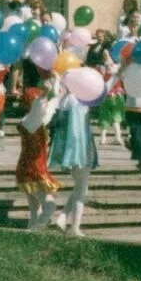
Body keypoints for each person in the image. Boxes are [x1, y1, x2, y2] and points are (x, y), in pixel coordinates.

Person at [48, 77, 99, 236]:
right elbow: (76, 131)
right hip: (79, 151)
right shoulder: (76, 101)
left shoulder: (64, 100)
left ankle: (62, 218)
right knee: (81, 190)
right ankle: (75, 227)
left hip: (69, 151)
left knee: (80, 187)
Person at [16, 84, 63, 231]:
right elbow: (40, 109)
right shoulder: (30, 121)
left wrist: (59, 93)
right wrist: (45, 94)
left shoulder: (36, 120)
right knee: (50, 206)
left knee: (35, 211)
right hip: (32, 171)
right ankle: (35, 231)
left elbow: (47, 109)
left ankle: (30, 234)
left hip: (30, 168)